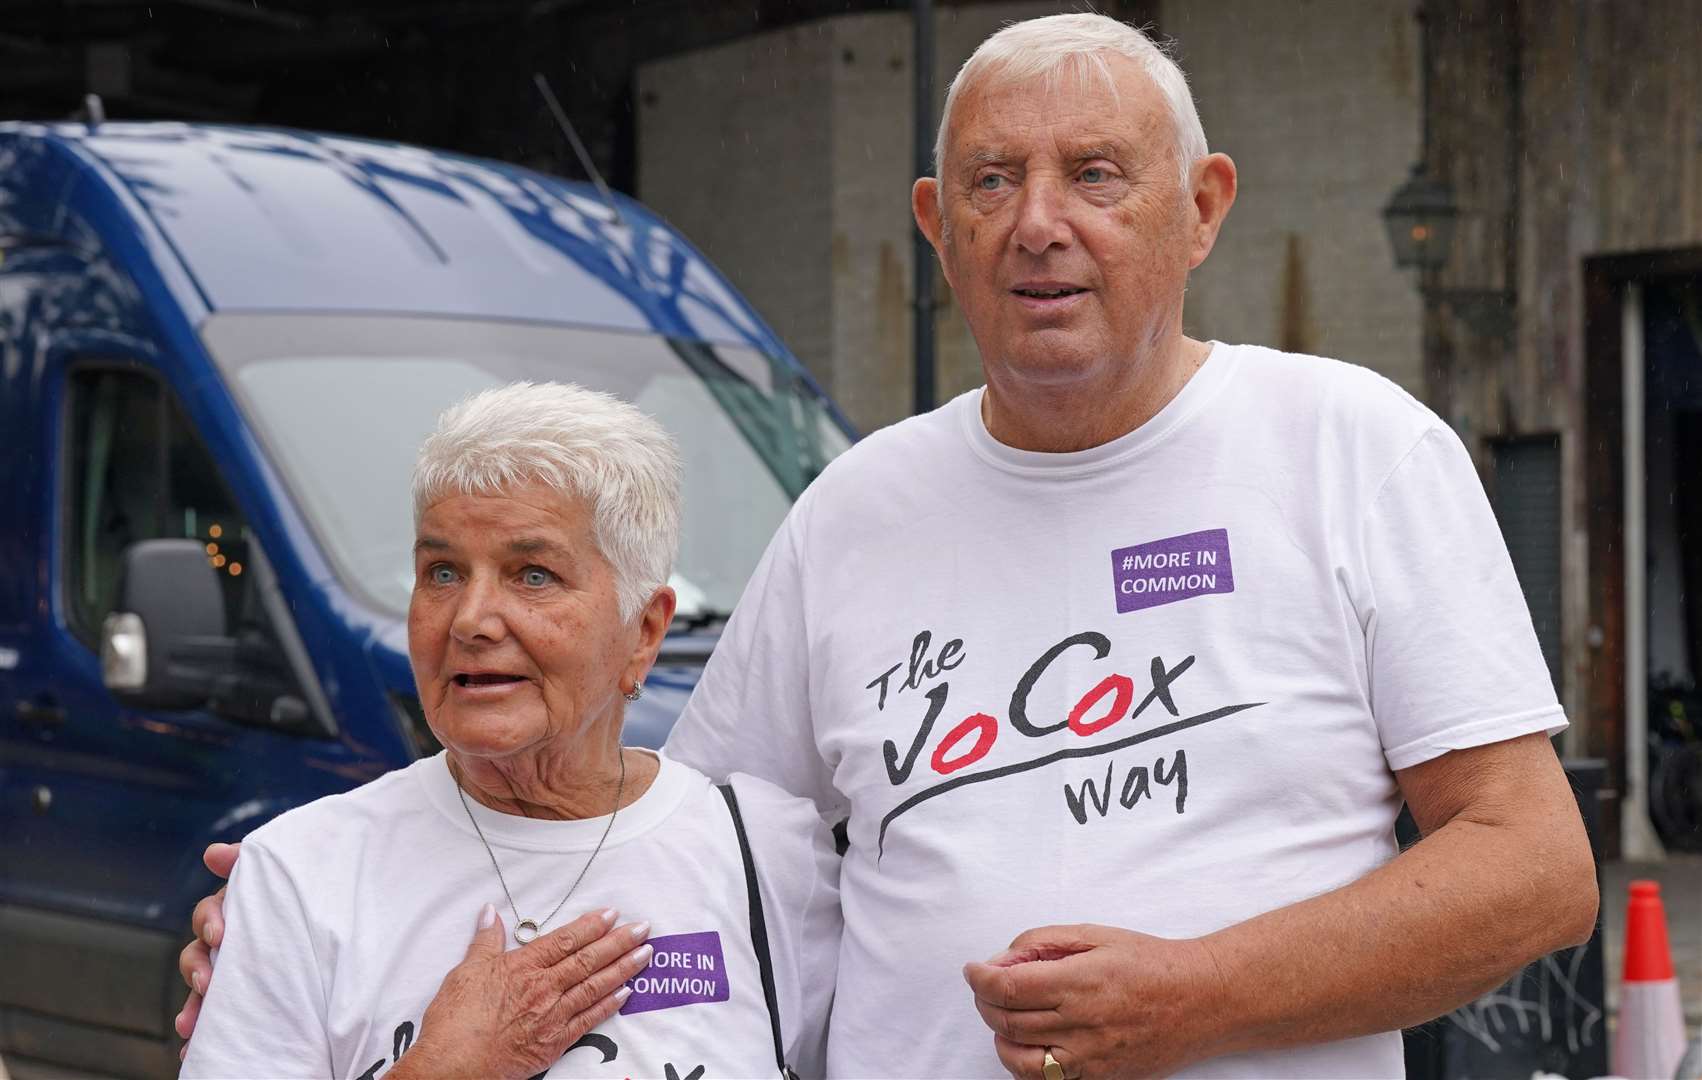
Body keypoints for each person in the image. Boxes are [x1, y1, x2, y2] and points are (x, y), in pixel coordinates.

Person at [181, 13, 1597, 1078]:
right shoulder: (857, 512)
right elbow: (663, 848)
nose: (1038, 224)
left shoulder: (1349, 448)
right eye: (990, 182)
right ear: (936, 224)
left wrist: (1191, 993)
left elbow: (1533, 871)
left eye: (1094, 175)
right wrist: (304, 940)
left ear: (1202, 207)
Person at [177, 382, 839, 1079]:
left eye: (532, 574)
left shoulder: (769, 858)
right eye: (442, 571)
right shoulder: (300, 874)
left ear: (643, 631)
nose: (471, 619)